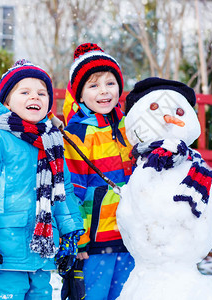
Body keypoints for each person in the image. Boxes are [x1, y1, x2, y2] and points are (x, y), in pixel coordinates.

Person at [0, 59, 83, 300]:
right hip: (3, 251)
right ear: (7, 101)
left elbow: (64, 192)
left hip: (42, 255)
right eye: (25, 92)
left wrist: (70, 233)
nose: (34, 97)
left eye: (41, 92)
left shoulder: (52, 143)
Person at [62, 43, 134, 300]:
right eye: (93, 86)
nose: (104, 91)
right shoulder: (76, 135)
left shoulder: (132, 128)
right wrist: (77, 239)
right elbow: (71, 193)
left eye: (110, 83)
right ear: (79, 95)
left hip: (131, 239)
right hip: (93, 244)